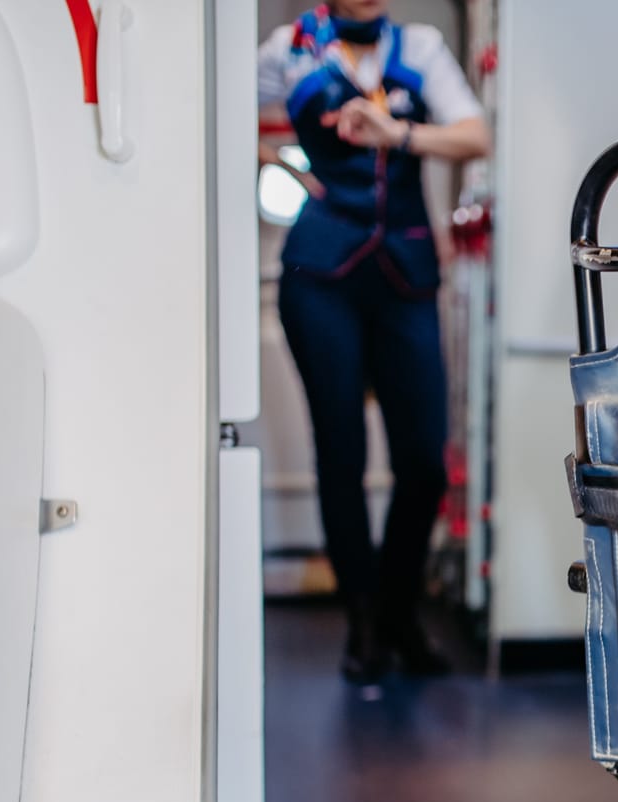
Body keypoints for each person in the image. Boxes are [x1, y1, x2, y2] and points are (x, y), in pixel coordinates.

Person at [258, 2, 491, 683]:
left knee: (422, 458)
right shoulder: (288, 50)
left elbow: (476, 135)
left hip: (407, 270)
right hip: (319, 273)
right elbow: (203, 105)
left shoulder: (418, 48)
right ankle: (363, 621)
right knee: (342, 451)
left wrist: (401, 133)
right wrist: (283, 164)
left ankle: (397, 609)